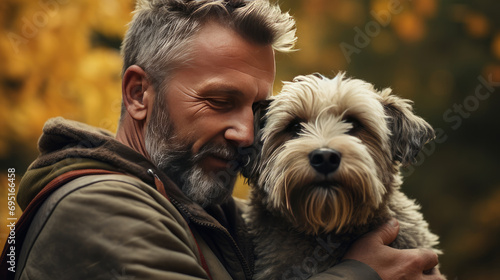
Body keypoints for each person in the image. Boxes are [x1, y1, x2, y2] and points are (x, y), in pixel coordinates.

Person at [5, 0, 443, 279]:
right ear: (139, 94)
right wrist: (358, 274)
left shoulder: (212, 213)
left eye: (257, 110)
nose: (246, 132)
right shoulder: (96, 208)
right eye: (219, 100)